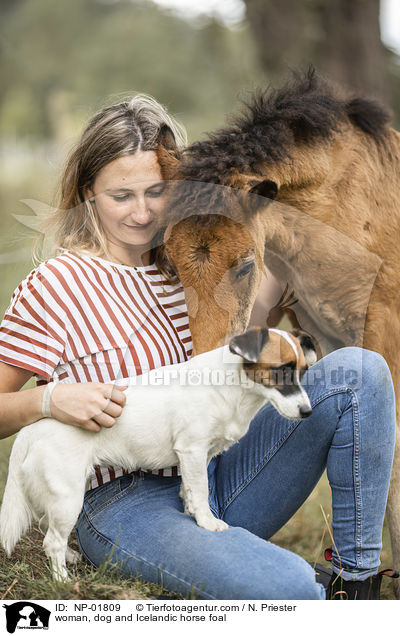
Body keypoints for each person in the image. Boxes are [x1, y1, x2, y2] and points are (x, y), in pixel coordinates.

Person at [0, 95, 396, 600]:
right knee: (288, 586)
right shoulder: (56, 284)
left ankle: (356, 581)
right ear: (88, 193)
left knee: (360, 371)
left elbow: (231, 358)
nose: (142, 213)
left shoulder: (190, 262)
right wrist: (49, 400)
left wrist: (276, 305)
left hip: (217, 470)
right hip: (124, 497)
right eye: (122, 195)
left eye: (156, 192)